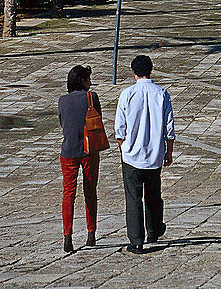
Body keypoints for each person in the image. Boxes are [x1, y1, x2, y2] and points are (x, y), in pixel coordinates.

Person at [115, 55, 175, 255]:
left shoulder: (127, 94)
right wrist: (169, 151)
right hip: (154, 154)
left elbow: (119, 129)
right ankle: (154, 229)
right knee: (153, 195)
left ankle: (136, 239)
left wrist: (124, 148)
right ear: (151, 70)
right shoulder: (162, 94)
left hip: (132, 155)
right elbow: (169, 128)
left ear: (134, 72)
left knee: (133, 198)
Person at [58, 64, 102, 254]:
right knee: (90, 191)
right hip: (89, 150)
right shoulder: (91, 97)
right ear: (83, 81)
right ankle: (91, 233)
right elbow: (98, 118)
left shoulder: (62, 100)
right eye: (88, 79)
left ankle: (67, 236)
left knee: (69, 194)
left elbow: (62, 123)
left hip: (68, 151)